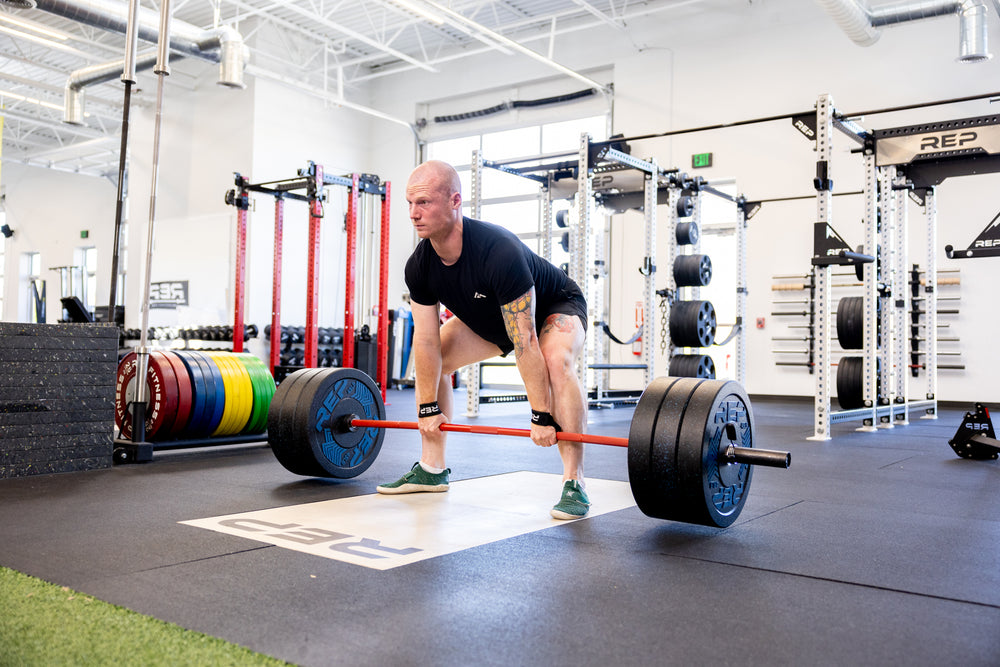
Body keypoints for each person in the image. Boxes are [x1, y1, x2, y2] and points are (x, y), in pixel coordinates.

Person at [377, 160, 591, 520]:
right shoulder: (419, 266)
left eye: (424, 202)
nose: (414, 214)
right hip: (494, 317)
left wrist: (540, 414)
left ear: (455, 201)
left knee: (556, 362)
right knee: (438, 356)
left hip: (554, 307)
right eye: (410, 204)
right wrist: (428, 409)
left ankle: (575, 481)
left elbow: (525, 341)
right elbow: (426, 342)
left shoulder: (497, 251)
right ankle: (432, 469)